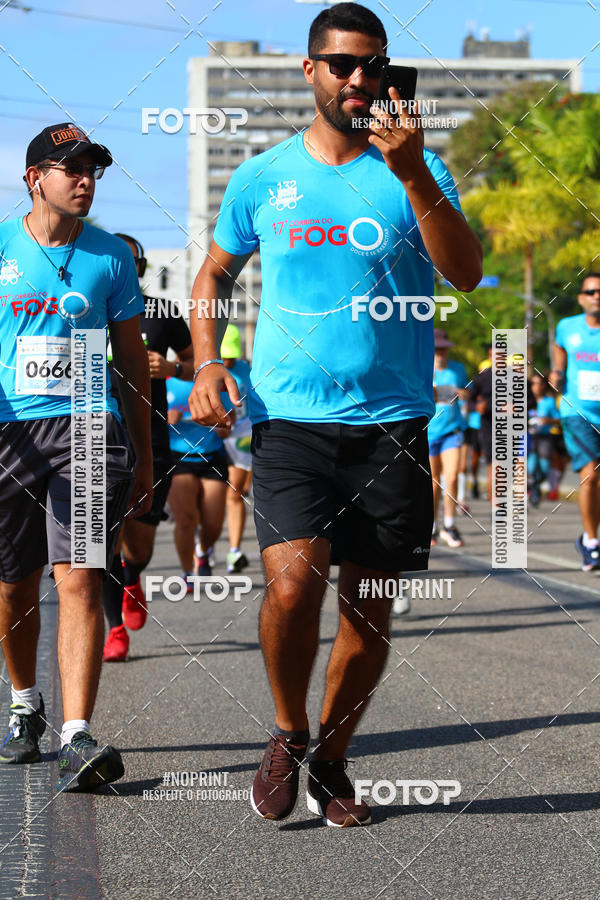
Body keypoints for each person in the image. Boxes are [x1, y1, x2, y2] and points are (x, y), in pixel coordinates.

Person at [189, 2, 482, 827]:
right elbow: (211, 276)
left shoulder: (418, 166)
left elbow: (464, 274)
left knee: (370, 605)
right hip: (290, 421)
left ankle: (335, 756)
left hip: (394, 423)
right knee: (291, 587)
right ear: (310, 69)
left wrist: (417, 173)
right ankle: (287, 733)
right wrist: (209, 363)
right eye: (344, 65)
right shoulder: (262, 176)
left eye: (375, 67)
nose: (361, 81)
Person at [0, 123, 152, 791]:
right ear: (35, 178)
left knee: (80, 577)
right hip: (12, 430)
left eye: (93, 168)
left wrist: (145, 454)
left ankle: (76, 733)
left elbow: (130, 364)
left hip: (91, 427)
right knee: (14, 584)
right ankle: (25, 705)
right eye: (71, 168)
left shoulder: (111, 256)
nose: (85, 179)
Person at [102, 234, 194, 662]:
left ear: (137, 269)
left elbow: (199, 364)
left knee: (137, 544)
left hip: (150, 438)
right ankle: (114, 630)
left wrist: (172, 368)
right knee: (99, 542)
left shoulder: (163, 311)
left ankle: (133, 577)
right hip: (94, 434)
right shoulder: (81, 309)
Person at [551, 272, 600, 570]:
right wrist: (558, 371)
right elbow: (558, 346)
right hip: (577, 412)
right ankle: (592, 542)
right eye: (591, 291)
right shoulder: (567, 327)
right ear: (581, 297)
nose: (597, 296)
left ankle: (588, 535)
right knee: (591, 474)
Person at [167, 377, 229, 587]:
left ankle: (202, 551)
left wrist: (218, 422)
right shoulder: (166, 382)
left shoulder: (213, 381)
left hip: (212, 457)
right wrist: (165, 418)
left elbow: (228, 426)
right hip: (178, 457)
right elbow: (147, 421)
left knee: (213, 524)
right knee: (185, 520)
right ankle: (187, 572)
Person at [429, 330, 468, 548]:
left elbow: (467, 392)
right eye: (437, 348)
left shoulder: (458, 369)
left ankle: (450, 525)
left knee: (451, 477)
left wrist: (461, 394)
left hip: (452, 431)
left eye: (444, 348)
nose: (441, 352)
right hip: (428, 431)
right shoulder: (422, 367)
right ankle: (432, 527)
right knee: (434, 483)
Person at [220, 325, 253, 574]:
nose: (227, 360)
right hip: (220, 437)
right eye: (224, 355)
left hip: (248, 437)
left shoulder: (248, 370)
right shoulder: (209, 371)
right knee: (226, 494)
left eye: (231, 354)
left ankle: (234, 550)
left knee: (239, 492)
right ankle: (207, 547)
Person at [527, 372, 561, 506]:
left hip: (545, 437)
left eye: (539, 384)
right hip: (529, 437)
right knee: (531, 466)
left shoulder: (549, 402)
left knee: (545, 467)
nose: (536, 387)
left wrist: (548, 420)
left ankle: (536, 485)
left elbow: (559, 420)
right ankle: (534, 490)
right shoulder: (525, 400)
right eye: (534, 384)